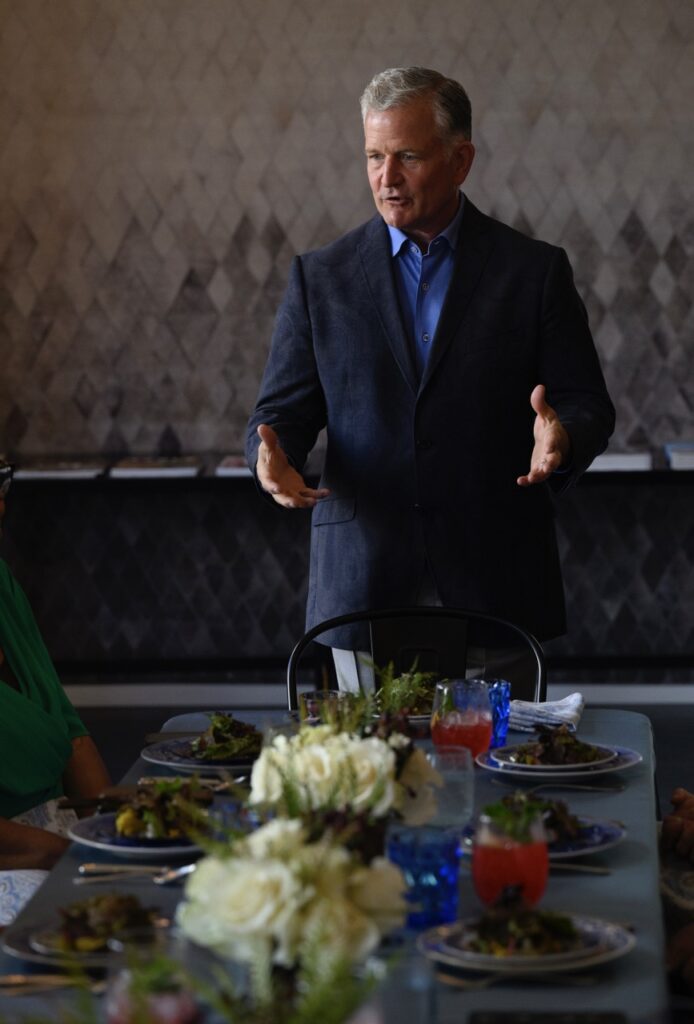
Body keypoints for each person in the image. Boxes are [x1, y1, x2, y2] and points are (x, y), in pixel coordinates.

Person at [246, 66, 615, 690]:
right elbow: (281, 415)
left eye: (407, 157)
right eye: (373, 156)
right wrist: (270, 459)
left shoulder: (534, 272)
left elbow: (586, 404)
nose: (386, 179)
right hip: (363, 586)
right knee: (366, 782)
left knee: (500, 771)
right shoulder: (321, 278)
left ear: (460, 159)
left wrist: (563, 438)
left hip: (495, 582)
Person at [0, 458, 111, 925]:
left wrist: (115, 837)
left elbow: (73, 738)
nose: (2, 504)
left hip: (57, 840)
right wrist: (76, 859)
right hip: (19, 857)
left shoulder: (2, 586)